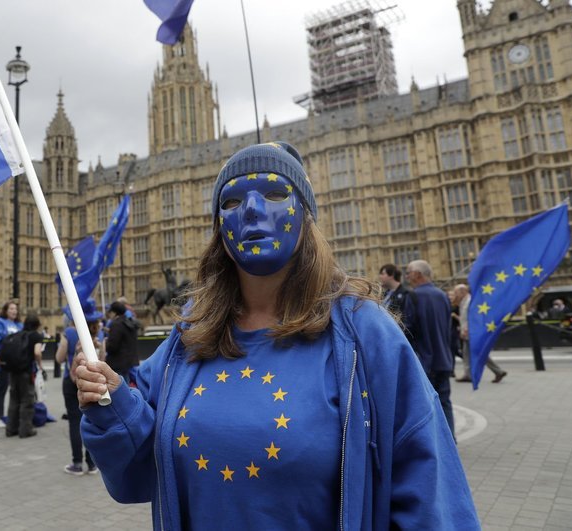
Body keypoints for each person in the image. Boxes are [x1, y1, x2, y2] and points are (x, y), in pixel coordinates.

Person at [73, 142, 478, 529]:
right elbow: (141, 468)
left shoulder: (364, 333)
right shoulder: (191, 336)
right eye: (231, 202)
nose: (252, 211)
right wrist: (110, 400)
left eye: (273, 193)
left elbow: (430, 492)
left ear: (305, 216)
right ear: (219, 229)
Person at [404, 260, 456, 435]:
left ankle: (435, 443)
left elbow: (407, 330)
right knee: (445, 402)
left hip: (425, 361)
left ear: (418, 274)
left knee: (426, 406)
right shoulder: (442, 295)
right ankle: (451, 439)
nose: (407, 276)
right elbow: (449, 330)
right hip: (444, 360)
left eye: (409, 272)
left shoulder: (413, 296)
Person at [55, 298, 104, 475]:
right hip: (93, 381)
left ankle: (76, 463)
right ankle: (92, 463)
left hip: (72, 381)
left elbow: (59, 358)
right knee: (91, 421)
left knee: (75, 423)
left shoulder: (69, 332)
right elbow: (103, 360)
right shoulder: (99, 335)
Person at [454, 284, 507, 383]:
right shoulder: (463, 302)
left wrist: (467, 329)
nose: (455, 295)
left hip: (471, 333)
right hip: (467, 332)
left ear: (463, 291)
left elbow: (474, 317)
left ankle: (498, 371)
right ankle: (468, 374)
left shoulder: (470, 301)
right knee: (467, 353)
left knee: (479, 353)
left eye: (456, 292)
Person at [5, 314, 44, 438]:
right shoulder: (36, 335)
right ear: (37, 325)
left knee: (14, 400)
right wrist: (40, 365)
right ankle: (25, 430)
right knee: (27, 401)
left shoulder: (19, 334)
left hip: (13, 371)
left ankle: (11, 429)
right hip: (26, 372)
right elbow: (37, 352)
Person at [0, 300, 22, 429]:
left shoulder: (19, 325)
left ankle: (14, 416)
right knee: (1, 389)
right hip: (3, 363)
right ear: (6, 311)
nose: (14, 311)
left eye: (15, 309)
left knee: (15, 391)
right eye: (11, 309)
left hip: (16, 364)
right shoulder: (0, 324)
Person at [104, 301, 139, 384]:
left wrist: (105, 343)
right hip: (130, 361)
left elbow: (112, 346)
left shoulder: (116, 324)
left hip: (118, 363)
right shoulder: (129, 322)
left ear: (114, 312)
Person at [377, 263, 413, 336]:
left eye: (383, 274)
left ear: (392, 275)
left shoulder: (406, 294)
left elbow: (408, 320)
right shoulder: (384, 294)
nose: (380, 277)